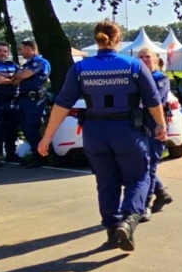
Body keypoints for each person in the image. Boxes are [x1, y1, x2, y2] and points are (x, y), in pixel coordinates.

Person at [38, 21, 167, 252]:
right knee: (138, 178)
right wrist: (161, 125)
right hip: (127, 131)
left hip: (95, 133)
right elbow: (153, 101)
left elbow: (62, 103)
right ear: (118, 40)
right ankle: (128, 222)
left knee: (106, 183)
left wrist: (47, 137)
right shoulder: (134, 66)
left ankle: (111, 231)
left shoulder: (81, 68)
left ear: (97, 40)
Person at [137, 49, 173, 219]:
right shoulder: (135, 79)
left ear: (156, 60)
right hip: (137, 126)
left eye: (148, 56)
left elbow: (154, 100)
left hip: (155, 127)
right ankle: (162, 193)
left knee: (149, 165)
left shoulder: (161, 79)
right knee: (139, 165)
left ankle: (145, 204)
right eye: (140, 57)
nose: (144, 59)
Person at [11, 40, 51, 168]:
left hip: (34, 101)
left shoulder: (40, 62)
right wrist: (19, 76)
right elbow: (15, 81)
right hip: (24, 100)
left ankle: (40, 157)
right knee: (25, 129)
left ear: (30, 49)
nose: (20, 52)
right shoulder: (28, 63)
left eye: (21, 49)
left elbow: (23, 75)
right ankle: (35, 155)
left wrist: (18, 75)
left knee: (31, 128)